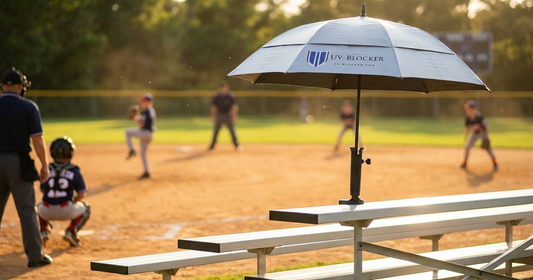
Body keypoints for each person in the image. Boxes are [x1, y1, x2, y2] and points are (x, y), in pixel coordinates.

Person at [0, 68, 52, 267]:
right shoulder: (28, 107)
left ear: (3, 86)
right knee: (27, 210)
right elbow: (37, 140)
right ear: (21, 87)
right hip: (18, 163)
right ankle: (35, 256)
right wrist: (45, 165)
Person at [37, 136, 90, 247]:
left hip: (46, 209)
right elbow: (81, 194)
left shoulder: (47, 168)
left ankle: (43, 230)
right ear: (70, 152)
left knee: (37, 207)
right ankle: (71, 231)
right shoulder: (74, 170)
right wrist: (74, 201)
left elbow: (43, 190)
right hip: (66, 209)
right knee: (86, 208)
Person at [460, 100, 498, 171]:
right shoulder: (467, 118)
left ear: (473, 109)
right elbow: (467, 128)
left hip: (482, 133)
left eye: (469, 109)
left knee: (488, 148)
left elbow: (486, 127)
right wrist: (466, 137)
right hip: (474, 134)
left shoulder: (479, 117)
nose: (467, 111)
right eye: (467, 109)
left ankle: (495, 164)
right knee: (467, 147)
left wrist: (486, 137)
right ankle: (464, 164)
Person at [126, 93, 156, 179]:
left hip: (146, 133)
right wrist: (137, 115)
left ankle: (131, 150)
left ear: (149, 102)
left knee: (128, 132)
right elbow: (143, 121)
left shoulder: (147, 111)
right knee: (143, 154)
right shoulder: (150, 111)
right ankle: (146, 172)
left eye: (144, 101)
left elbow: (141, 123)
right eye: (142, 101)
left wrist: (135, 116)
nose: (142, 103)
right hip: (149, 134)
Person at [209, 81, 240, 151]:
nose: (223, 89)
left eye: (224, 88)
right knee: (216, 131)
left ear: (227, 88)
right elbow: (213, 107)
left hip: (228, 115)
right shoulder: (217, 96)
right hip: (220, 115)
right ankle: (212, 146)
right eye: (222, 88)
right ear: (220, 88)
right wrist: (213, 115)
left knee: (232, 131)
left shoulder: (230, 96)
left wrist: (234, 115)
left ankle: (236, 145)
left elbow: (234, 106)